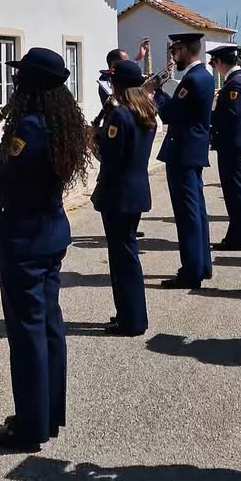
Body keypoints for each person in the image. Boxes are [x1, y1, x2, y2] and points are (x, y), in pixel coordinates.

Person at [0, 47, 89, 452]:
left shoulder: (31, 128)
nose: (14, 84)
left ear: (30, 85)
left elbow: (3, 181)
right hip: (48, 233)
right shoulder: (60, 122)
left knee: (28, 334)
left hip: (25, 238)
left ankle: (30, 427)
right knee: (49, 326)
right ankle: (48, 413)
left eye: (20, 79)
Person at [91, 60, 156, 336]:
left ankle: (132, 320)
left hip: (118, 193)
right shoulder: (146, 111)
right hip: (136, 190)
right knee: (125, 255)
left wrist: (93, 140)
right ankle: (129, 314)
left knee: (123, 258)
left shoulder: (119, 116)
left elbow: (110, 156)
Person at [153, 33, 215, 289]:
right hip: (191, 151)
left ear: (187, 50)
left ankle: (191, 271)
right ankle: (202, 264)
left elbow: (169, 114)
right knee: (197, 211)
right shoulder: (203, 76)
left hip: (183, 153)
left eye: (175, 50)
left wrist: (156, 92)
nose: (173, 56)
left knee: (187, 214)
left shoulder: (194, 79)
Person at [209, 45, 241, 251]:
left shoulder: (235, 84)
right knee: (240, 191)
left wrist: (211, 123)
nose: (214, 67)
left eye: (213, 63)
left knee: (235, 192)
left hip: (233, 144)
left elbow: (231, 116)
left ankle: (238, 237)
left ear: (219, 62)